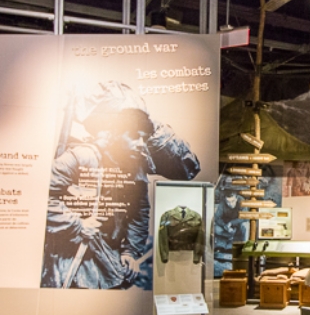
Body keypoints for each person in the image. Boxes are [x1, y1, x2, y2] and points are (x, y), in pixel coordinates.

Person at [40, 81, 199, 290]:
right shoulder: (81, 157)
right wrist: (77, 224)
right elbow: (41, 198)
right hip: (73, 260)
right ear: (114, 131)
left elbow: (139, 213)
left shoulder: (134, 166)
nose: (140, 143)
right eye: (133, 135)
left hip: (109, 261)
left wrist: (130, 253)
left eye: (143, 138)